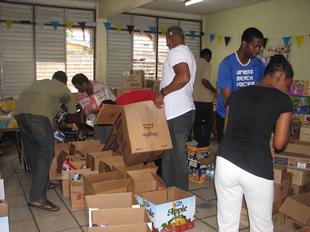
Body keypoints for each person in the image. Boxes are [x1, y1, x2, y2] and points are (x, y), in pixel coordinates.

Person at [214, 54, 294, 232]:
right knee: (261, 225)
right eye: (287, 85)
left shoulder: (238, 94)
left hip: (225, 163)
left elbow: (226, 130)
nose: (286, 90)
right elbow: (280, 144)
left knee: (227, 222)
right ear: (281, 74)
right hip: (256, 168)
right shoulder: (283, 101)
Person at [14, 71, 85, 211]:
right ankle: (37, 198)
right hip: (38, 117)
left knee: (33, 151)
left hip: (20, 114)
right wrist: (82, 127)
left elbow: (45, 105)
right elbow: (73, 113)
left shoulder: (41, 83)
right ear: (64, 82)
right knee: (46, 152)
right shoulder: (64, 90)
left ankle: (44, 184)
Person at [154, 25, 196, 191]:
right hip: (181, 111)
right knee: (170, 155)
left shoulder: (176, 52)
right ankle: (170, 192)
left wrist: (162, 93)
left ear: (169, 38)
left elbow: (183, 77)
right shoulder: (186, 53)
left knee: (175, 157)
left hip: (177, 113)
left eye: (166, 40)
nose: (166, 43)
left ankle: (180, 197)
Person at [216, 27, 265, 143]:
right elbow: (227, 98)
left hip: (250, 118)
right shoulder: (227, 64)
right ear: (244, 43)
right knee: (227, 154)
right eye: (255, 46)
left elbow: (261, 90)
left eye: (260, 47)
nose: (257, 50)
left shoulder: (259, 65)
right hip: (227, 116)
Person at [71, 73, 116, 144]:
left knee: (109, 140)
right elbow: (84, 109)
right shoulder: (82, 94)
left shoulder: (101, 87)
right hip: (95, 120)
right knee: (98, 141)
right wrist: (83, 126)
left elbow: (113, 102)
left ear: (84, 83)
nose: (78, 90)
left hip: (108, 118)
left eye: (79, 88)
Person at [193, 48, 217, 147]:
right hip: (206, 100)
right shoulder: (207, 65)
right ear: (208, 56)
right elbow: (204, 80)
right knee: (209, 122)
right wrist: (214, 90)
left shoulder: (194, 64)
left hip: (195, 99)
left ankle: (197, 142)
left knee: (197, 122)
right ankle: (204, 143)